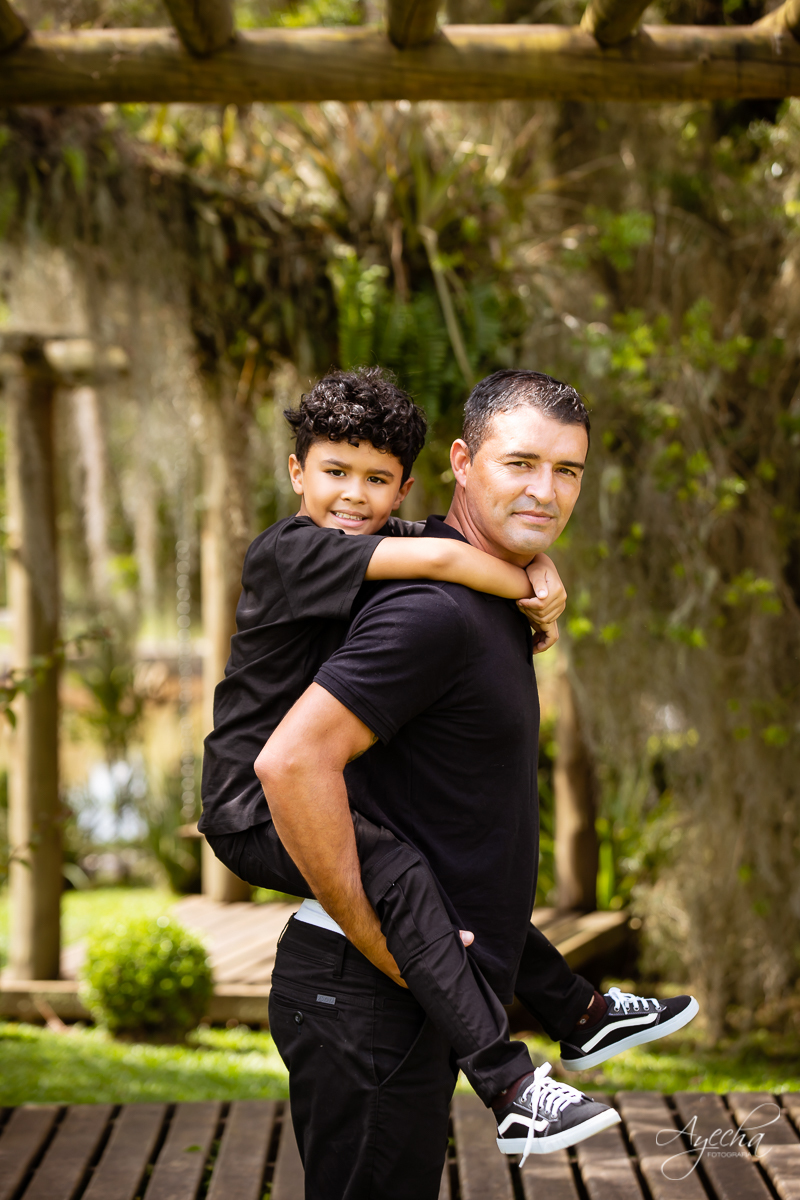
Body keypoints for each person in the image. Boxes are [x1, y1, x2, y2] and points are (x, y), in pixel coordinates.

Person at [255, 369, 698, 1199]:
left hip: (411, 977)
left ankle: (577, 1011)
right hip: (368, 981)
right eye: (520, 463)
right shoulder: (431, 612)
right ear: (463, 463)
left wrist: (535, 574)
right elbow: (289, 763)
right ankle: (532, 1062)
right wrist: (373, 934)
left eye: (566, 471)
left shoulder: (481, 593)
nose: (545, 490)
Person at [201, 368, 569, 1117]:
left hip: (286, 792)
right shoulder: (291, 550)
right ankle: (505, 1078)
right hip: (248, 804)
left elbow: (432, 546)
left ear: (401, 492)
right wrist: (533, 580)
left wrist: (537, 562)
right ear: (297, 471)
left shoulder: (369, 535)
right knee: (402, 872)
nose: (353, 496)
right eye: (335, 472)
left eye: (378, 480)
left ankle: (582, 1012)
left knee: (438, 881)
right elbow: (443, 559)